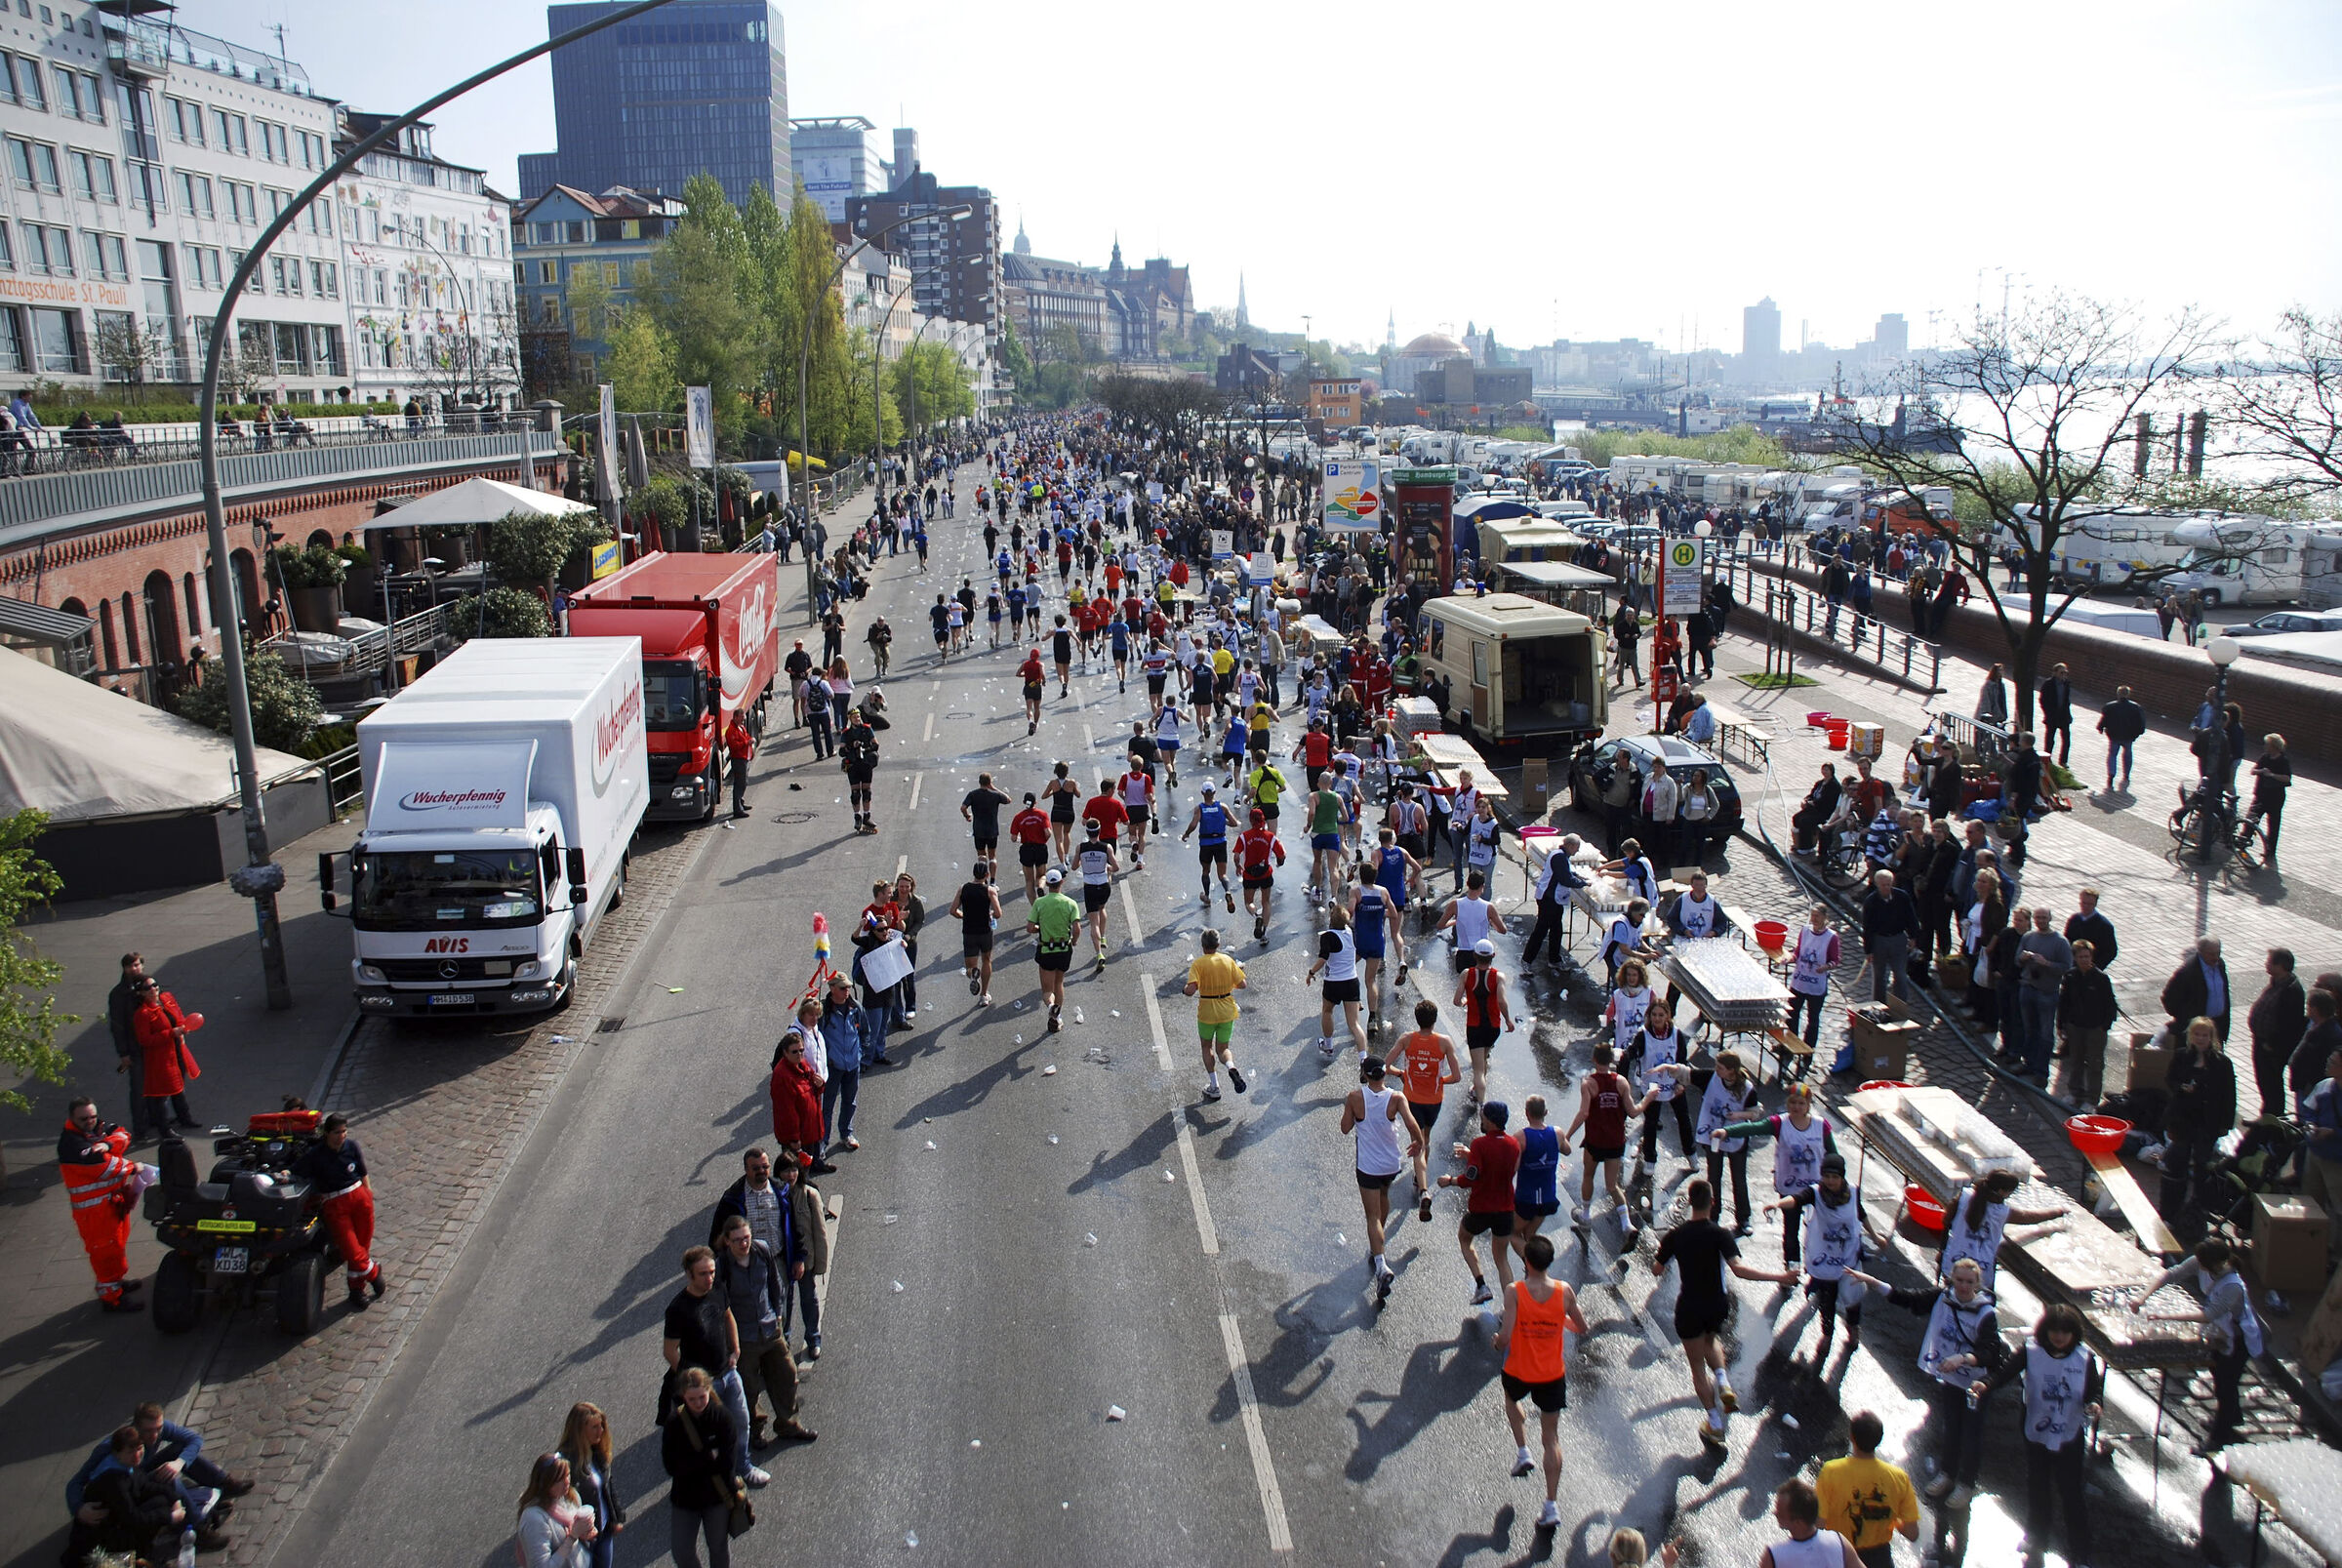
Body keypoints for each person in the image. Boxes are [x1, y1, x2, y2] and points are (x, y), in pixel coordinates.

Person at [1845, 1256, 2005, 1508]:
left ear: (1977, 1283)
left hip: (1976, 1384)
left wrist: (1963, 1359)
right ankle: (1947, 1474)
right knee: (1951, 1427)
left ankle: (1966, 1484)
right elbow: (1911, 1298)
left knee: (1971, 1435)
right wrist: (1874, 1282)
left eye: (1969, 1282)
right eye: (1959, 1280)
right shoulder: (1943, 1298)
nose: (1963, 1286)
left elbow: (1990, 1352)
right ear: (1952, 1279)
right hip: (1952, 1379)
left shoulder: (1986, 1314)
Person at [1655, 1178, 1795, 1450]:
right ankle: (1723, 1381)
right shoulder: (1721, 1235)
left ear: (1690, 1203)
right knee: (1711, 1341)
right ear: (1713, 1202)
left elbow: (1656, 1269)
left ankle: (1714, 1424)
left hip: (1689, 1307)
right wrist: (1781, 1276)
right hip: (1717, 1305)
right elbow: (1740, 1270)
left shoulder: (1677, 1235)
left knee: (1697, 1368)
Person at [1969, 1302, 2103, 1565]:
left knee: (2071, 1492)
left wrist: (2095, 1405)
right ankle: (2036, 1536)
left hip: (2069, 1433)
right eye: (2055, 1330)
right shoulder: (2031, 1351)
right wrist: (1985, 1384)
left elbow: (2093, 1391)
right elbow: (2004, 1372)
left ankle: (2081, 1552)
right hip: (2036, 1429)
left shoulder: (2084, 1358)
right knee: (2037, 1486)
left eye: (2065, 1332)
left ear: (2073, 1334)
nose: (2059, 1337)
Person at [1493, 1232, 1589, 1533]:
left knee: (1511, 1401)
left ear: (1526, 1262)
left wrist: (1497, 1342)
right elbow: (1581, 1327)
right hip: (1551, 1375)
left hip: (1519, 1370)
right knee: (1552, 1438)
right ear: (1548, 1262)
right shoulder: (1565, 1291)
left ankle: (1523, 1451)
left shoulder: (1514, 1292)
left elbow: (1505, 1337)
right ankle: (1551, 1505)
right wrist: (1558, 1321)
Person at [2132, 1237, 2262, 1451]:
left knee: (2226, 1385)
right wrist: (2143, 1297)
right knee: (2221, 1377)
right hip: (2222, 1332)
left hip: (2238, 1339)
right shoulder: (2203, 1262)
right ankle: (2232, 1419)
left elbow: (2208, 1315)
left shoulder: (2233, 1286)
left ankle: (2219, 1438)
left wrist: (2166, 1316)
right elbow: (2172, 1274)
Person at [714, 1214, 815, 1453]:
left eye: (746, 1237)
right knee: (749, 1387)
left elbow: (774, 1282)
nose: (744, 1243)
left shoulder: (761, 1250)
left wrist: (778, 1314)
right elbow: (719, 1306)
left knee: (787, 1374)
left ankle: (788, 1423)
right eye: (737, 1239)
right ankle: (755, 1429)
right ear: (727, 1241)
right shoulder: (722, 1267)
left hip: (770, 1328)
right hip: (744, 1337)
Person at [664, 1246, 758, 1500]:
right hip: (704, 1386)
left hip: (727, 1372)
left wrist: (735, 1349)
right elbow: (670, 1350)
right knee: (707, 1436)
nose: (710, 1278)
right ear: (689, 1275)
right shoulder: (678, 1308)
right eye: (703, 1273)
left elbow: (728, 1317)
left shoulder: (717, 1290)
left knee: (741, 1421)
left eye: (712, 1272)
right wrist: (691, 1382)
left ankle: (743, 1466)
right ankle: (716, 1480)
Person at [1762, 1152, 1870, 1366]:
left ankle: (1853, 1328)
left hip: (1848, 1256)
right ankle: (1827, 1334)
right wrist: (1777, 1205)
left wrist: (1876, 1237)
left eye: (1835, 1177)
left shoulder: (1854, 1194)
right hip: (1825, 1259)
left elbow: (1861, 1215)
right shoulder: (1815, 1193)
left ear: (1842, 1178)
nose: (1830, 1181)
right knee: (1827, 1300)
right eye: (1827, 1176)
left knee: (1852, 1298)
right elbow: (1797, 1199)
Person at [1342, 1056, 1422, 1307]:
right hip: (1390, 1164)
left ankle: (1381, 1264)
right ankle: (1378, 1245)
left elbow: (1345, 1128)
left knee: (1372, 1217)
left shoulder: (1355, 1097)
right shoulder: (1397, 1098)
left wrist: (1354, 1117)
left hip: (1368, 1166)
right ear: (1384, 1075)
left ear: (1365, 1074)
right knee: (1384, 1198)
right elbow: (1411, 1124)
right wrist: (1419, 1144)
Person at [57, 1096, 147, 1312]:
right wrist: (132, 1167)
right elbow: (103, 1167)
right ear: (72, 1118)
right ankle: (112, 1298)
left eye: (93, 1117)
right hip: (94, 1212)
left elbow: (124, 1135)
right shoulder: (71, 1144)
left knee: (116, 1246)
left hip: (110, 1204)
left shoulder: (96, 1129)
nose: (90, 1121)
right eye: (84, 1118)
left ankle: (116, 1283)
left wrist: (106, 1144)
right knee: (104, 1252)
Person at [293, 1113, 386, 1309]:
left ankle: (356, 1289)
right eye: (337, 1132)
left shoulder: (352, 1146)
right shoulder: (316, 1154)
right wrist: (285, 1173)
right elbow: (296, 1170)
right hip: (335, 1204)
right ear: (327, 1133)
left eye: (344, 1131)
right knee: (352, 1251)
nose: (341, 1136)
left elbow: (362, 1171)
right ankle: (374, 1273)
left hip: (360, 1198)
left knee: (362, 1247)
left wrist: (367, 1194)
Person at [1440, 1101, 1520, 1307]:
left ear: (1491, 1121)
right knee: (1502, 1259)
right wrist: (1471, 1155)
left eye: (1484, 1117)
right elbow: (1500, 1166)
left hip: (1482, 1208)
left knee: (1465, 1238)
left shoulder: (1480, 1144)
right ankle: (1510, 1308)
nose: (1481, 1120)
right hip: (1505, 1209)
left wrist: (1450, 1181)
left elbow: (1471, 1178)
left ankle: (1481, 1284)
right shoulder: (1513, 1145)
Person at [660, 1367, 743, 1568]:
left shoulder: (722, 1419)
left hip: (716, 1497)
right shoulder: (675, 1423)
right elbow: (670, 1465)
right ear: (683, 1397)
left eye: (702, 1397)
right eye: (692, 1399)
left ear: (709, 1390)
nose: (698, 1403)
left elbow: (726, 1464)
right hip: (685, 1498)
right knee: (681, 1551)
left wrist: (691, 1462)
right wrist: (707, 1459)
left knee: (718, 1547)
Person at [1816, 1410, 1919, 1568]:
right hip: (1880, 1559)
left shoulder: (1831, 1471)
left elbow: (1818, 1524)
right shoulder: (1898, 1478)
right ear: (1879, 1438)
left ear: (1852, 1436)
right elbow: (1912, 1533)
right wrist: (1888, 1516)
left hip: (1840, 1555)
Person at [2160, 1013, 2237, 1221]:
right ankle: (2172, 1210)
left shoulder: (2222, 1063)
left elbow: (2229, 1095)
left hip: (2207, 1122)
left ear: (2211, 1037)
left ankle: (2198, 1209)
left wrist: (2225, 1124)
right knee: (2178, 1165)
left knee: (2203, 1166)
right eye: (2197, 1034)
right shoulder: (2182, 1055)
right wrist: (2181, 1087)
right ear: (2190, 1035)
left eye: (2205, 1035)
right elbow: (2170, 1079)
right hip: (2184, 1119)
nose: (2201, 1038)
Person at [1561, 1047, 1640, 1246]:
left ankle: (1586, 1215)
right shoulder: (1621, 1082)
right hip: (1616, 1140)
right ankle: (1627, 1224)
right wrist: (1649, 1098)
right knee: (1612, 1185)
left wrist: (1568, 1135)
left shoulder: (1588, 1083)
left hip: (1595, 1140)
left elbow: (1584, 1113)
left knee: (1588, 1175)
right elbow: (1633, 1111)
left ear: (1594, 1058)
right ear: (1612, 1060)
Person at [1394, 1000, 1461, 1220]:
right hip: (1434, 1100)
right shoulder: (1444, 1042)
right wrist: (1440, 1080)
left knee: (1417, 1143)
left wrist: (1401, 1075)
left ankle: (1423, 1190)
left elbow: (1385, 1064)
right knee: (1426, 1139)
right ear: (1434, 1020)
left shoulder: (1407, 1039)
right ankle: (1418, 1177)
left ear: (1417, 1019)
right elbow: (1457, 1076)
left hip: (1412, 1099)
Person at [1695, 1050, 1761, 1233]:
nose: (1716, 1070)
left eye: (1720, 1068)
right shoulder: (1712, 1078)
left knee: (1738, 1178)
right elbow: (1688, 1074)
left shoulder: (1747, 1088)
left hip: (1736, 1136)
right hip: (1714, 1134)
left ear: (1731, 1070)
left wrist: (1739, 1115)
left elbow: (1755, 1112)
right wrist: (1670, 1069)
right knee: (1714, 1176)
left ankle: (1744, 1218)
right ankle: (1713, 1215)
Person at [1182, 928, 1250, 1103]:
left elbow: (1190, 990)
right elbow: (1242, 984)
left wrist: (1184, 989)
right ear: (1218, 945)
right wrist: (1228, 986)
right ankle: (1231, 1066)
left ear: (1203, 946)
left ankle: (1214, 1086)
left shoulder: (1198, 964)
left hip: (1207, 1013)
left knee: (1207, 1047)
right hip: (1227, 1010)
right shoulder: (1227, 960)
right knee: (1223, 1048)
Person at [129, 975, 201, 1137]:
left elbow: (178, 1014)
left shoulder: (166, 998)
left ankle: (184, 1118)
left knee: (179, 1086)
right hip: (160, 1057)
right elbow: (145, 1039)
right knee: (161, 1095)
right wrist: (170, 1033)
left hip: (175, 1051)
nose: (153, 989)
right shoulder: (143, 1014)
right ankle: (165, 1128)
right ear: (140, 993)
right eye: (148, 988)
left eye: (155, 985)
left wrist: (184, 1026)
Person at [2011, 906, 2073, 1081]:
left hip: (2047, 992)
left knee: (2045, 1034)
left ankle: (2041, 1072)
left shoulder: (2060, 942)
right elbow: (2017, 961)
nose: (2041, 920)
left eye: (2044, 917)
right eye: (2038, 917)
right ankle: (2029, 1064)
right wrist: (2022, 958)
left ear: (2050, 918)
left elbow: (2066, 968)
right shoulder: (2028, 937)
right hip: (2027, 988)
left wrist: (2047, 964)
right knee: (2029, 1030)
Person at [1452, 938, 1515, 1106]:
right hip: (1493, 1027)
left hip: (1474, 1027)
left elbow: (1456, 1000)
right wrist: (1508, 1020)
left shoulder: (1467, 974)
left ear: (1474, 955)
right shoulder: (1498, 976)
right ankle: (1476, 1090)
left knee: (1478, 1070)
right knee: (1484, 1058)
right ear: (1493, 955)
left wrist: (1465, 1001)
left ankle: (1482, 1104)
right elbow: (1501, 1001)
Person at [2246, 945, 2306, 1119]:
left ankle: (2273, 1119)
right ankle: (2267, 1115)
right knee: (2263, 1082)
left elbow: (2289, 1025)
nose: (2266, 965)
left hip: (2271, 1048)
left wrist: (2271, 1045)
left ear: (2280, 966)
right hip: (2261, 1042)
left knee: (2271, 1084)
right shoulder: (2276, 983)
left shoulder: (2291, 990)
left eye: (2269, 962)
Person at [2057, 939, 2118, 1106]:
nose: (2084, 959)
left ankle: (2092, 1099)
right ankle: (2074, 1092)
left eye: (2087, 956)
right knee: (2076, 1061)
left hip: (2095, 1028)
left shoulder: (2101, 978)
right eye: (2081, 956)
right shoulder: (2070, 976)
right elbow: (2064, 1002)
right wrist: (2061, 1024)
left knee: (2095, 1064)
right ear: (2075, 958)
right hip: (2075, 1027)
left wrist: (2104, 1026)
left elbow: (2110, 1004)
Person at [1760, 1479, 1863, 1568]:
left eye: (1780, 1512)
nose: (1774, 1513)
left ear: (1798, 1522)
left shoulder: (1774, 1555)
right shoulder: (1838, 1541)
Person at [1520, 833, 1585, 970]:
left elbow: (1565, 873)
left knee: (1557, 929)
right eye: (1576, 847)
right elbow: (1564, 879)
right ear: (1570, 845)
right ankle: (1527, 960)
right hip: (1548, 898)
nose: (1577, 851)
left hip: (1554, 899)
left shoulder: (1560, 855)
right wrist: (1582, 883)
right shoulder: (1560, 857)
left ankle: (1554, 959)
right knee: (1541, 930)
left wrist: (1576, 875)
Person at [1027, 868, 1081, 1032]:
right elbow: (1077, 929)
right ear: (1061, 883)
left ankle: (1051, 1007)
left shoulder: (1039, 903)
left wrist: (1040, 928)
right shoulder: (1070, 903)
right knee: (1059, 983)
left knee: (1047, 990)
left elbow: (1030, 927)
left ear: (1048, 884)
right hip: (1064, 948)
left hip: (1046, 949)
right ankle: (1057, 1016)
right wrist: (1074, 941)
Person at [1784, 906, 1840, 1060]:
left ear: (1824, 917)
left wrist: (1826, 967)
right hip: (1800, 981)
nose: (1814, 919)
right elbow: (1798, 951)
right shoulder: (1805, 930)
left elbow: (1835, 960)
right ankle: (1790, 1044)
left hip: (1816, 984)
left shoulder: (1831, 937)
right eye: (1812, 915)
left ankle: (1808, 1050)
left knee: (1813, 1018)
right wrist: (1791, 958)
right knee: (1792, 1013)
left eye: (1817, 916)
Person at [1858, 870, 1917, 1007]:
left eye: (1889, 884)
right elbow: (1867, 927)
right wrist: (1868, 950)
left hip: (1898, 939)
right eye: (1883, 885)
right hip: (1879, 940)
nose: (1886, 888)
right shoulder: (1871, 902)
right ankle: (1879, 1007)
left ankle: (1900, 1007)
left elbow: (1911, 917)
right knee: (1879, 977)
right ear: (1877, 884)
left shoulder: (1902, 897)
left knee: (1901, 975)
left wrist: (1913, 937)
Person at [106, 951, 146, 1133]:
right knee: (138, 1089)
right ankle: (140, 1127)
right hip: (134, 1048)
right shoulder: (118, 994)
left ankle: (153, 1119)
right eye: (131, 966)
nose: (134, 968)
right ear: (124, 968)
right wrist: (123, 1053)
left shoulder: (147, 985)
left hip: (151, 1045)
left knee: (154, 1086)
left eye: (137, 965)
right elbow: (117, 1026)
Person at [1072, 818, 1120, 969]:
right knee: (1102, 909)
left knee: (1093, 922)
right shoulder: (1106, 847)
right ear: (1099, 832)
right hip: (1104, 885)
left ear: (1087, 832)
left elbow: (1073, 867)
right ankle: (1104, 937)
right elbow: (1116, 867)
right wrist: (1108, 869)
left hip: (1090, 887)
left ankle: (1099, 952)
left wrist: (1082, 861)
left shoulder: (1081, 848)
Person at [1182, 782, 1236, 911]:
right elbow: (1234, 823)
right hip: (1220, 842)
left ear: (1202, 793)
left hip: (1206, 843)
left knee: (1206, 871)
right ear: (1214, 793)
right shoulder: (1222, 807)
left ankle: (1206, 897)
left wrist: (1186, 834)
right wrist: (1223, 821)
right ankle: (1227, 891)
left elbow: (1194, 824)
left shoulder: (1200, 808)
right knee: (1222, 874)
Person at [1234, 805, 1286, 944]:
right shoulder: (1270, 837)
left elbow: (1236, 855)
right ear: (1263, 820)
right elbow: (1281, 855)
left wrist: (1238, 865)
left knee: (1248, 902)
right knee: (1266, 902)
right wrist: (1280, 862)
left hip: (1250, 875)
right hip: (1265, 874)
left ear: (1251, 820)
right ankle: (1263, 933)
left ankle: (1256, 914)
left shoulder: (1244, 837)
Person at [2243, 732, 2292, 865]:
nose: (2265, 746)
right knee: (2252, 818)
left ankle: (2270, 850)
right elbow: (2253, 771)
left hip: (2275, 797)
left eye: (2267, 744)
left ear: (2274, 746)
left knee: (2274, 823)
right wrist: (2261, 771)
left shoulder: (2283, 761)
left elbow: (2287, 778)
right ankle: (2243, 840)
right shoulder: (2265, 757)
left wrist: (2271, 775)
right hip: (2261, 794)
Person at [960, 774, 1012, 888]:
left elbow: (963, 807)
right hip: (992, 830)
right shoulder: (995, 795)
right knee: (992, 856)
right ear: (989, 782)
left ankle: (982, 879)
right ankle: (993, 881)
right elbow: (1008, 800)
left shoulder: (973, 794)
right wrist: (994, 788)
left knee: (981, 856)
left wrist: (967, 816)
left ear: (979, 782)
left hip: (978, 830)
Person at [838, 705, 880, 835]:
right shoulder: (846, 733)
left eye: (858, 716)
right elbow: (841, 751)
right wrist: (852, 746)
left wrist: (865, 749)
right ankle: (857, 817)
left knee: (866, 791)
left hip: (865, 764)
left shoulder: (867, 729)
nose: (857, 718)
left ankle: (867, 816)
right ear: (850, 719)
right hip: (853, 764)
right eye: (855, 717)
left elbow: (876, 744)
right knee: (855, 793)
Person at [2096, 683, 2146, 791]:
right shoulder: (2136, 707)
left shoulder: (2110, 706)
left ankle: (2111, 774)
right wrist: (2137, 734)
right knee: (2127, 754)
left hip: (2114, 735)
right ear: (2128, 694)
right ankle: (2126, 775)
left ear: (2118, 694)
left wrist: (2100, 728)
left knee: (2112, 754)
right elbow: (2141, 724)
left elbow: (2104, 719)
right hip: (2128, 736)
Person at [1009, 792, 1052, 903]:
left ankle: (1035, 907)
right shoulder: (1042, 814)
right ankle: (1041, 887)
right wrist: (1043, 840)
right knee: (1042, 875)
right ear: (1035, 802)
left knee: (1029, 881)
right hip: (1040, 847)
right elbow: (1048, 832)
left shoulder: (1018, 817)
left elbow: (1013, 838)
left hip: (1026, 849)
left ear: (1024, 802)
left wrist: (1021, 838)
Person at [2038, 662, 2076, 766]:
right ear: (2055, 673)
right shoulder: (2048, 684)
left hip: (2064, 716)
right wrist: (2047, 713)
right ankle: (2047, 758)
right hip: (2052, 716)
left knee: (2066, 740)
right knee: (2050, 739)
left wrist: (2069, 714)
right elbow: (2042, 700)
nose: (2063, 675)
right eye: (2061, 672)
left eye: (2065, 673)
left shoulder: (2066, 684)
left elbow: (2066, 700)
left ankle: (2063, 761)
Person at [722, 711, 753, 819]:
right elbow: (734, 746)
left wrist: (749, 740)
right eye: (741, 718)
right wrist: (747, 743)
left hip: (744, 758)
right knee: (739, 784)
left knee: (743, 782)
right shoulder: (731, 730)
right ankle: (737, 809)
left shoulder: (740, 727)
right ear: (735, 717)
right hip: (738, 759)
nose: (743, 720)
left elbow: (745, 736)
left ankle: (741, 803)